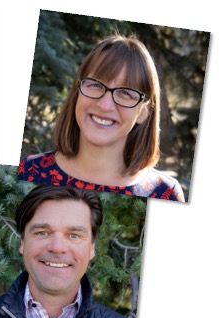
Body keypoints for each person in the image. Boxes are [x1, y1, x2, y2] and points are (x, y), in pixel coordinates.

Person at [0, 185, 135, 318]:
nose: (57, 247)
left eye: (74, 235)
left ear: (92, 247)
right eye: (42, 233)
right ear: (23, 241)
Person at [18, 35, 184, 201]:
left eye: (125, 93)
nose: (105, 105)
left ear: (143, 112)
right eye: (96, 85)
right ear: (78, 91)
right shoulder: (27, 171)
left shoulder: (165, 193)